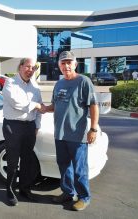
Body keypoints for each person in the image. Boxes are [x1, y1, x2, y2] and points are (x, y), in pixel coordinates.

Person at [41, 51, 99, 211]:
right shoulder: (59, 84)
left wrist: (93, 129)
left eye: (69, 62)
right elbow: (55, 106)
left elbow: (93, 106)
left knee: (80, 169)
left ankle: (84, 197)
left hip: (77, 135)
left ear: (75, 64)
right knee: (64, 166)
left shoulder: (84, 81)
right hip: (60, 134)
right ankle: (68, 192)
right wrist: (44, 108)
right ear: (59, 65)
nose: (66, 66)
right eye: (62, 63)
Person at [2, 58, 43, 206]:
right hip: (13, 126)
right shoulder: (10, 83)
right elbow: (17, 103)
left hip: (29, 127)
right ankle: (10, 191)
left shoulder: (35, 86)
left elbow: (39, 110)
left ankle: (25, 189)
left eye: (33, 68)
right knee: (13, 161)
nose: (30, 70)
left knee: (28, 160)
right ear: (20, 67)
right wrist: (37, 105)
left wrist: (37, 126)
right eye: (27, 67)